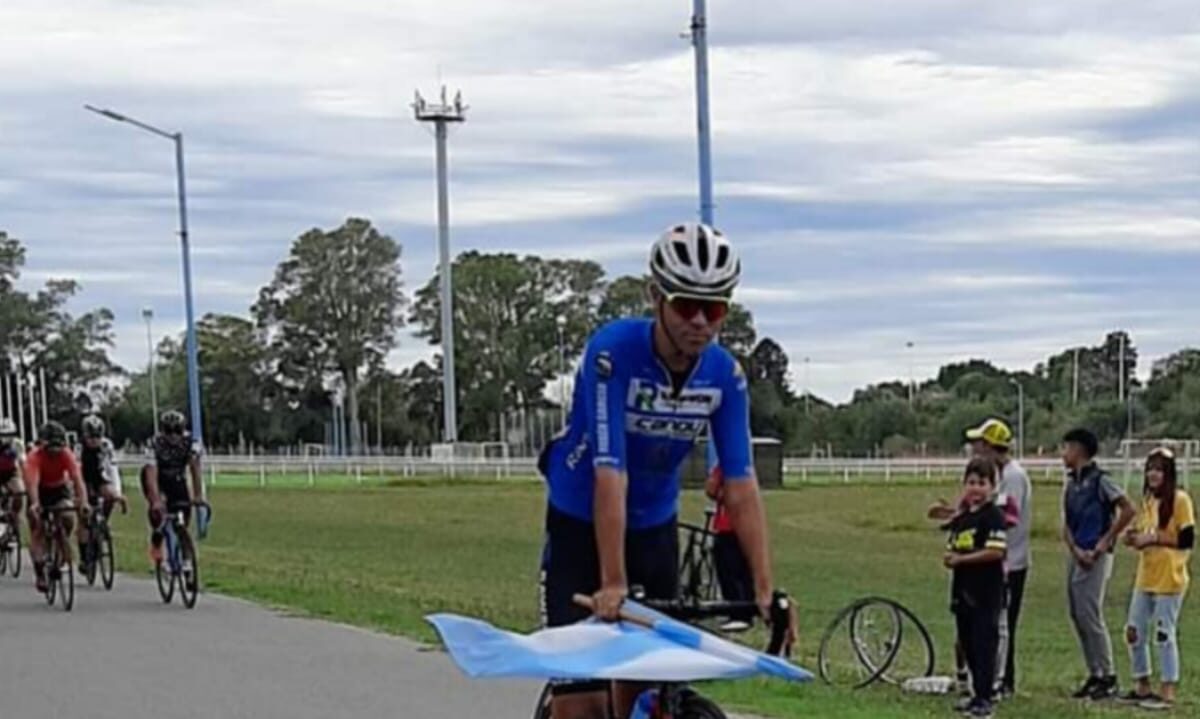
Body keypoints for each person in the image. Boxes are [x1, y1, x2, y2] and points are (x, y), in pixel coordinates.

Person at [539, 222, 787, 719]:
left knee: (645, 695)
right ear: (656, 296)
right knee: (582, 703)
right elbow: (610, 471)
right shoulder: (613, 353)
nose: (700, 321)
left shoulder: (724, 375)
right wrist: (612, 583)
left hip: (653, 527)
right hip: (581, 521)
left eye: (714, 308)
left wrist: (763, 588)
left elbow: (740, 482)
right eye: (685, 305)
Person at [1061, 427, 1135, 700]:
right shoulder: (1071, 483)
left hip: (1097, 555)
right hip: (1077, 553)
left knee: (1090, 613)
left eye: (1066, 448)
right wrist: (1074, 548)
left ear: (1079, 450)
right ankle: (1094, 673)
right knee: (1077, 613)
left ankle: (1108, 674)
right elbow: (1066, 522)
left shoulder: (1100, 481)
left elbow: (1128, 509)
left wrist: (1104, 543)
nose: (1063, 454)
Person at [1119, 447, 1194, 710]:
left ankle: (1168, 689)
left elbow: (1187, 539)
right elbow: (1143, 530)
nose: (1153, 474)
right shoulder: (1148, 501)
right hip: (1146, 576)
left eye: (1159, 469)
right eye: (1150, 468)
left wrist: (1156, 538)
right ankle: (1142, 683)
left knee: (1164, 634)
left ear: (1169, 474)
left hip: (1169, 578)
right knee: (1133, 631)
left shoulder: (1180, 500)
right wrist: (1134, 537)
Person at [966, 419, 1031, 698]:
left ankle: (1001, 680)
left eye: (979, 444)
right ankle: (992, 677)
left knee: (1001, 625)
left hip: (1010, 561)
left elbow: (1006, 518)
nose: (974, 450)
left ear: (992, 447)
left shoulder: (1012, 477)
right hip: (997, 561)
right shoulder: (997, 474)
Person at [943, 457, 1007, 719]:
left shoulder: (993, 516)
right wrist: (951, 557)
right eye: (971, 482)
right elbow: (953, 546)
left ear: (992, 486)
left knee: (984, 644)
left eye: (982, 483)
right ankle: (974, 692)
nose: (976, 488)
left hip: (986, 592)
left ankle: (984, 697)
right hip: (963, 591)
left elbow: (996, 552)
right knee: (967, 642)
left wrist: (962, 559)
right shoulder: (963, 518)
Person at [24, 421, 90, 593]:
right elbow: (33, 482)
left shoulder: (66, 455)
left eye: (58, 447)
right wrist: (35, 504)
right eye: (50, 448)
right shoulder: (34, 457)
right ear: (42, 445)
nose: (55, 452)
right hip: (39, 490)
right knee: (37, 529)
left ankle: (61, 542)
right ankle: (40, 572)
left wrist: (83, 502)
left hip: (59, 489)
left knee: (68, 515)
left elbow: (77, 479)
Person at [140, 410, 205, 565]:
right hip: (158, 478)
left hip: (177, 478)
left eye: (177, 431)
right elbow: (151, 474)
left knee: (183, 520)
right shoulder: (155, 443)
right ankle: (157, 540)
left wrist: (198, 495)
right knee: (158, 510)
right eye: (169, 431)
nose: (173, 435)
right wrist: (155, 500)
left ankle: (187, 560)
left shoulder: (191, 442)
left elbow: (195, 469)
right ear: (163, 431)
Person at [77, 414, 124, 571]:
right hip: (83, 479)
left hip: (100, 477)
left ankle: (104, 522)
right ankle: (84, 557)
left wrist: (117, 492)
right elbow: (74, 473)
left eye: (98, 436)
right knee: (84, 517)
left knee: (111, 496)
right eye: (91, 437)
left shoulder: (106, 446)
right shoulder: (78, 447)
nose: (94, 440)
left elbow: (113, 469)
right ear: (84, 435)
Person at [0, 418, 27, 538]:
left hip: (11, 472)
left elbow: (23, 462)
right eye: (3, 435)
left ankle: (14, 514)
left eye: (10, 434)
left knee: (20, 492)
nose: (6, 437)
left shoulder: (17, 444)